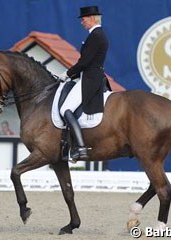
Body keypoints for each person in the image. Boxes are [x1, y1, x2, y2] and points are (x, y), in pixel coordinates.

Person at [58, 5, 110, 161]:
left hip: (90, 78)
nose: (82, 22)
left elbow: (84, 62)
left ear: (92, 18)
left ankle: (80, 148)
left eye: (83, 19)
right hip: (90, 76)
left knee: (65, 109)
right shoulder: (97, 35)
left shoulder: (96, 36)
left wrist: (67, 74)